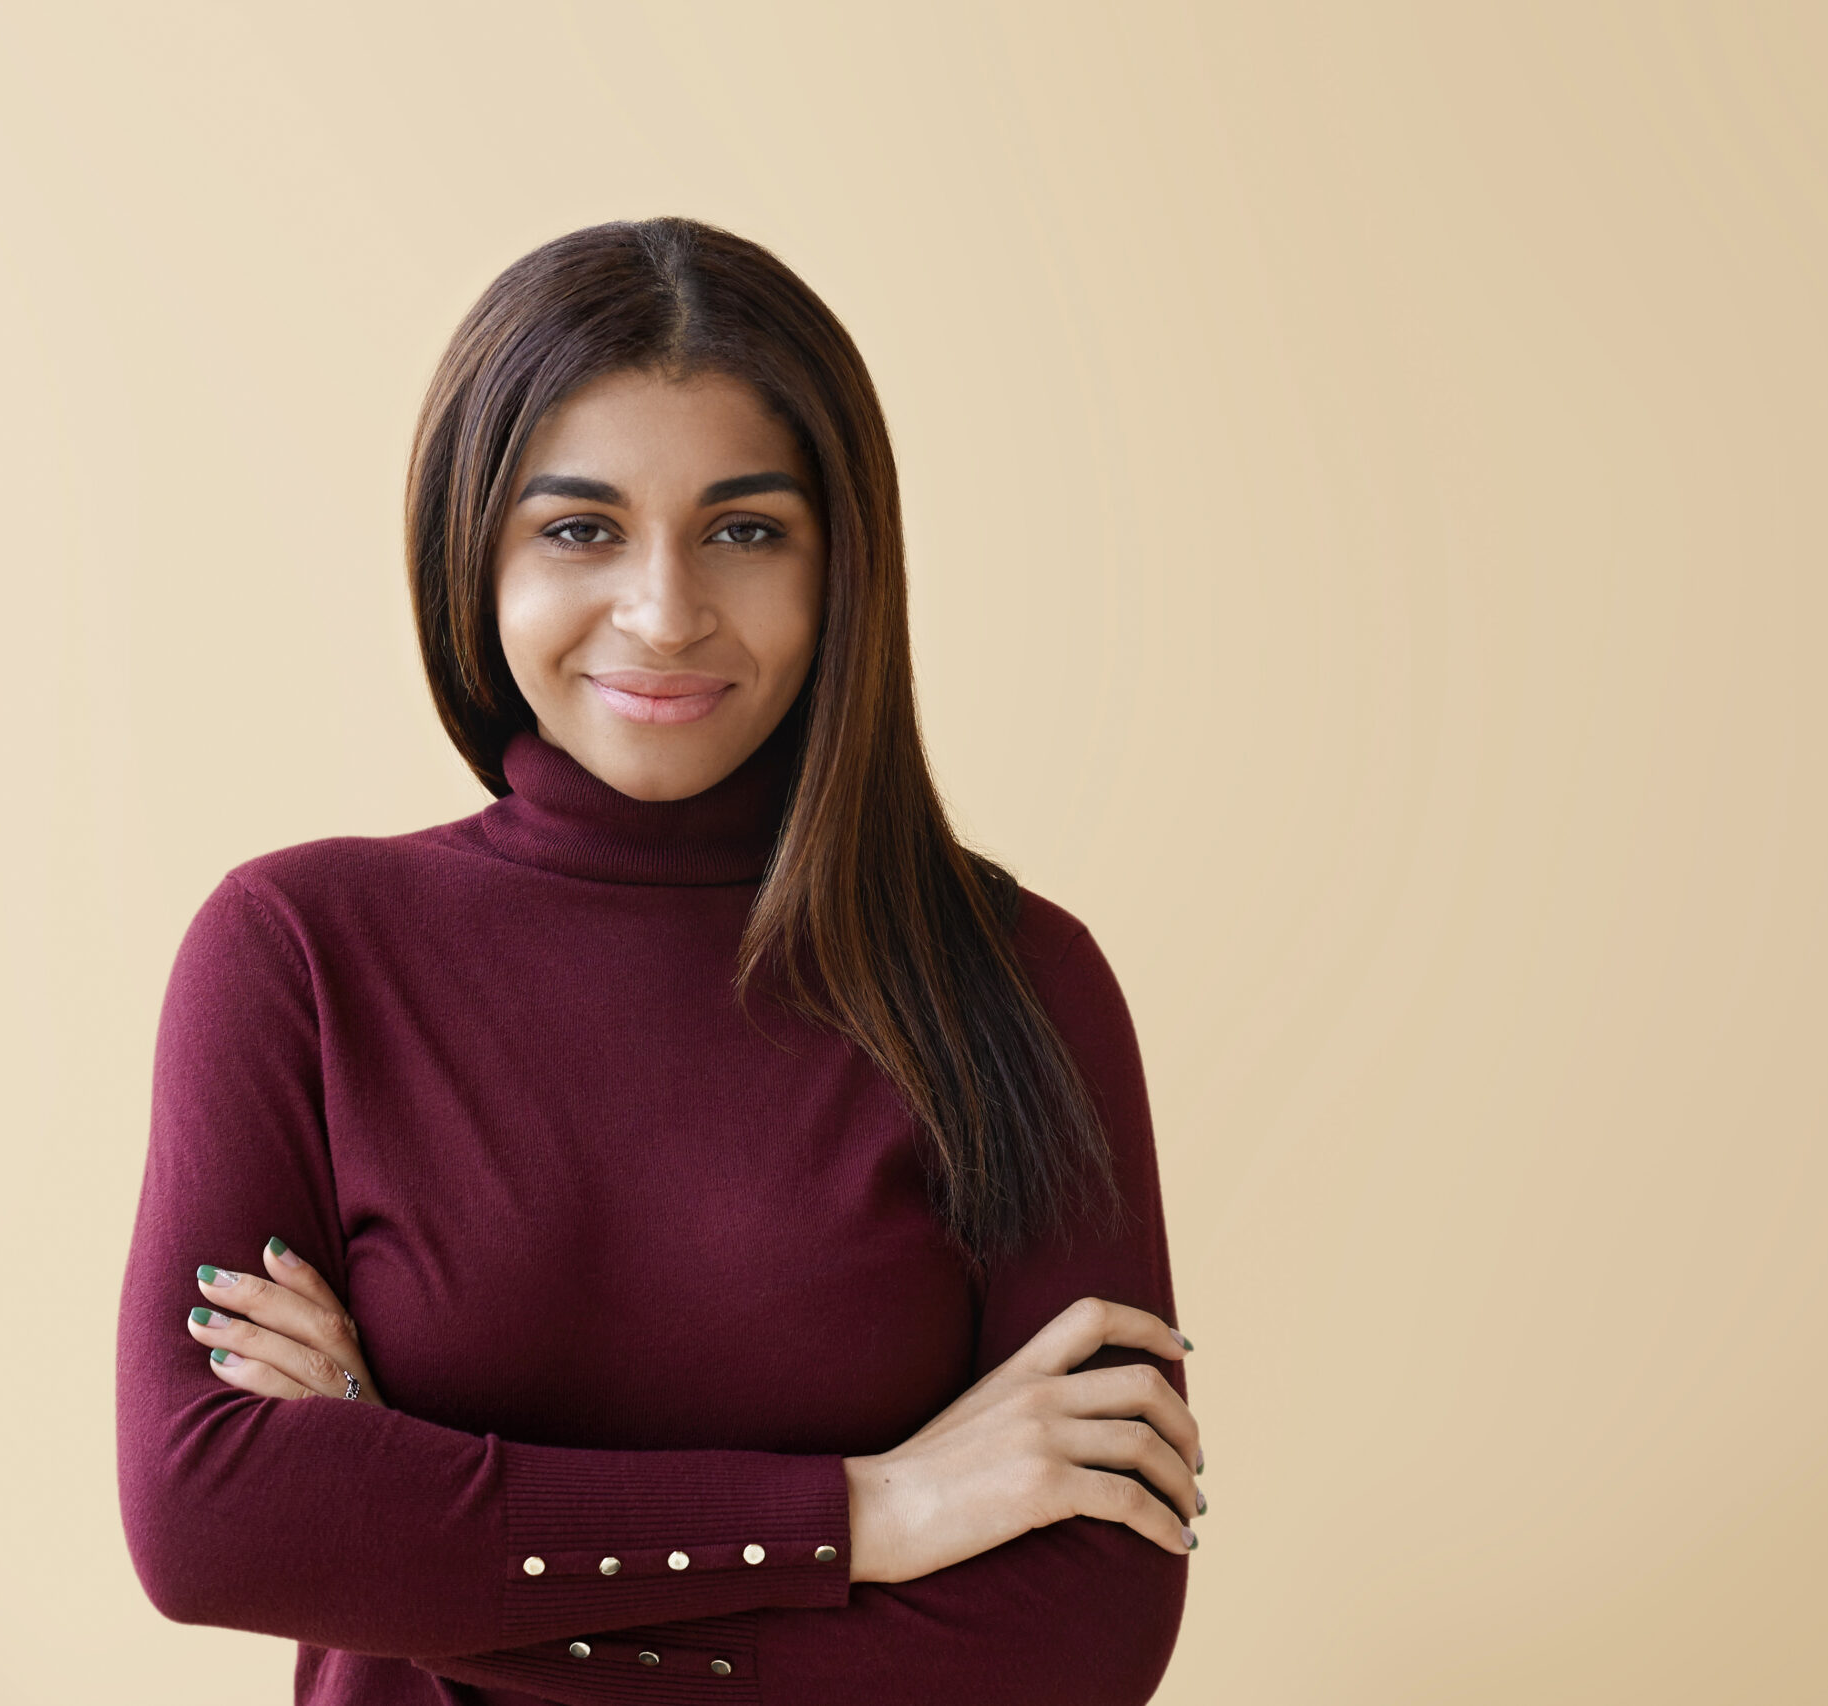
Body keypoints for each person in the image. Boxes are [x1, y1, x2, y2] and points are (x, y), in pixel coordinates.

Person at [116, 217, 1203, 1706]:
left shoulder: (1020, 985)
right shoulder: (300, 955)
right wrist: (869, 1516)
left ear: (842, 569)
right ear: (473, 554)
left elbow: (1080, 1644)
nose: (666, 610)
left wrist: (415, 1535)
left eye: (746, 529)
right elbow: (213, 1527)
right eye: (580, 529)